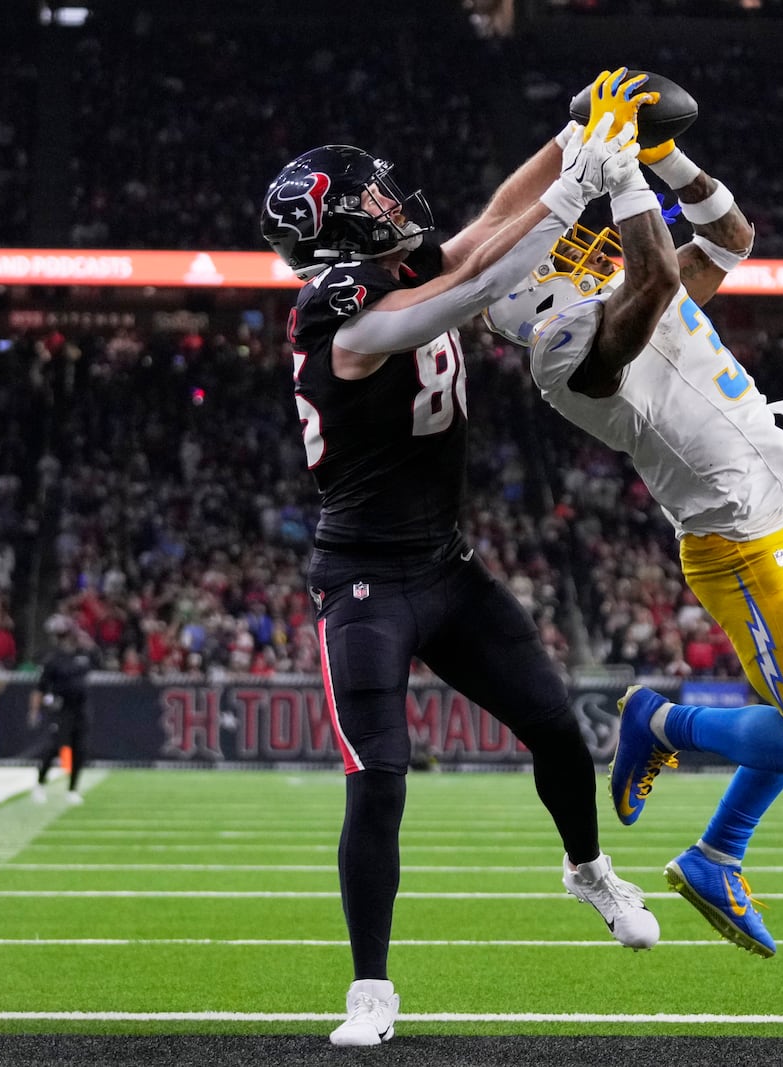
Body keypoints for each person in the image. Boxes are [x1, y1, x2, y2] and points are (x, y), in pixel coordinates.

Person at [261, 72, 661, 1047]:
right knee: (381, 778)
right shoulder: (342, 311)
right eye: (370, 203)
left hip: (447, 565)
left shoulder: (391, 269)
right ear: (336, 237)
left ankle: (586, 868)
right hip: (364, 582)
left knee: (560, 729)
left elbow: (488, 227)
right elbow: (481, 284)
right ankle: (369, 986)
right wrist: (580, 192)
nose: (392, 205)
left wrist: (579, 130)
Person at [486, 129, 783, 959]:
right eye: (556, 255)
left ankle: (716, 855)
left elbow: (731, 238)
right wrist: (620, 172)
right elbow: (653, 275)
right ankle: (660, 722)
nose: (574, 249)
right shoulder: (564, 352)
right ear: (531, 295)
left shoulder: (626, 292)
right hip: (741, 545)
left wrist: (666, 158)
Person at [28, 614, 93, 804]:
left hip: (81, 709)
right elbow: (40, 688)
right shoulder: (53, 659)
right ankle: (40, 784)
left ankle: (72, 789)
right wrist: (34, 711)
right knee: (56, 747)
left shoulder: (83, 654)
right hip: (62, 709)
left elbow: (98, 657)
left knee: (79, 750)